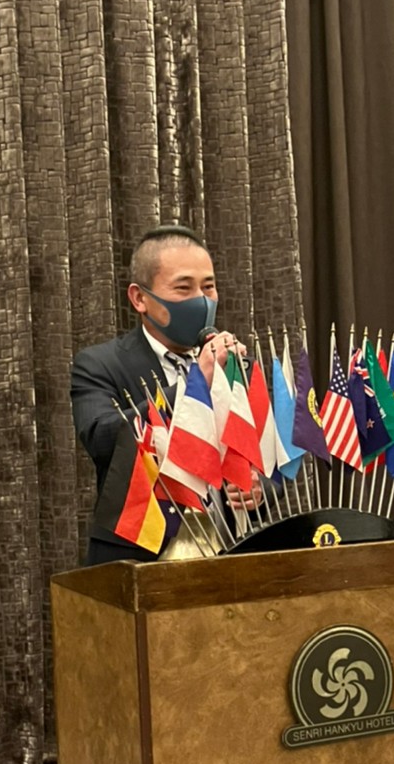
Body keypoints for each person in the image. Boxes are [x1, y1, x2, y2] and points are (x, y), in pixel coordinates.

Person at [71, 224, 260, 565]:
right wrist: (193, 385)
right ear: (139, 298)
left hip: (233, 558)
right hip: (142, 559)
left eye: (208, 287)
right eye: (184, 288)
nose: (201, 300)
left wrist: (259, 489)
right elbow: (103, 438)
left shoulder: (235, 364)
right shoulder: (99, 364)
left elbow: (269, 456)